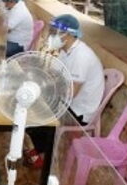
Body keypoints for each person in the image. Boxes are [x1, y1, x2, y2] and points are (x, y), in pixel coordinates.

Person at [25, 14, 104, 168]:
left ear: (67, 35)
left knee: (36, 118)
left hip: (79, 109)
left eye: (54, 32)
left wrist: (46, 94)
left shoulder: (81, 56)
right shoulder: (64, 50)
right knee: (31, 107)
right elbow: (54, 75)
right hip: (68, 99)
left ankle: (43, 155)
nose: (51, 36)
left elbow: (71, 93)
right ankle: (40, 148)